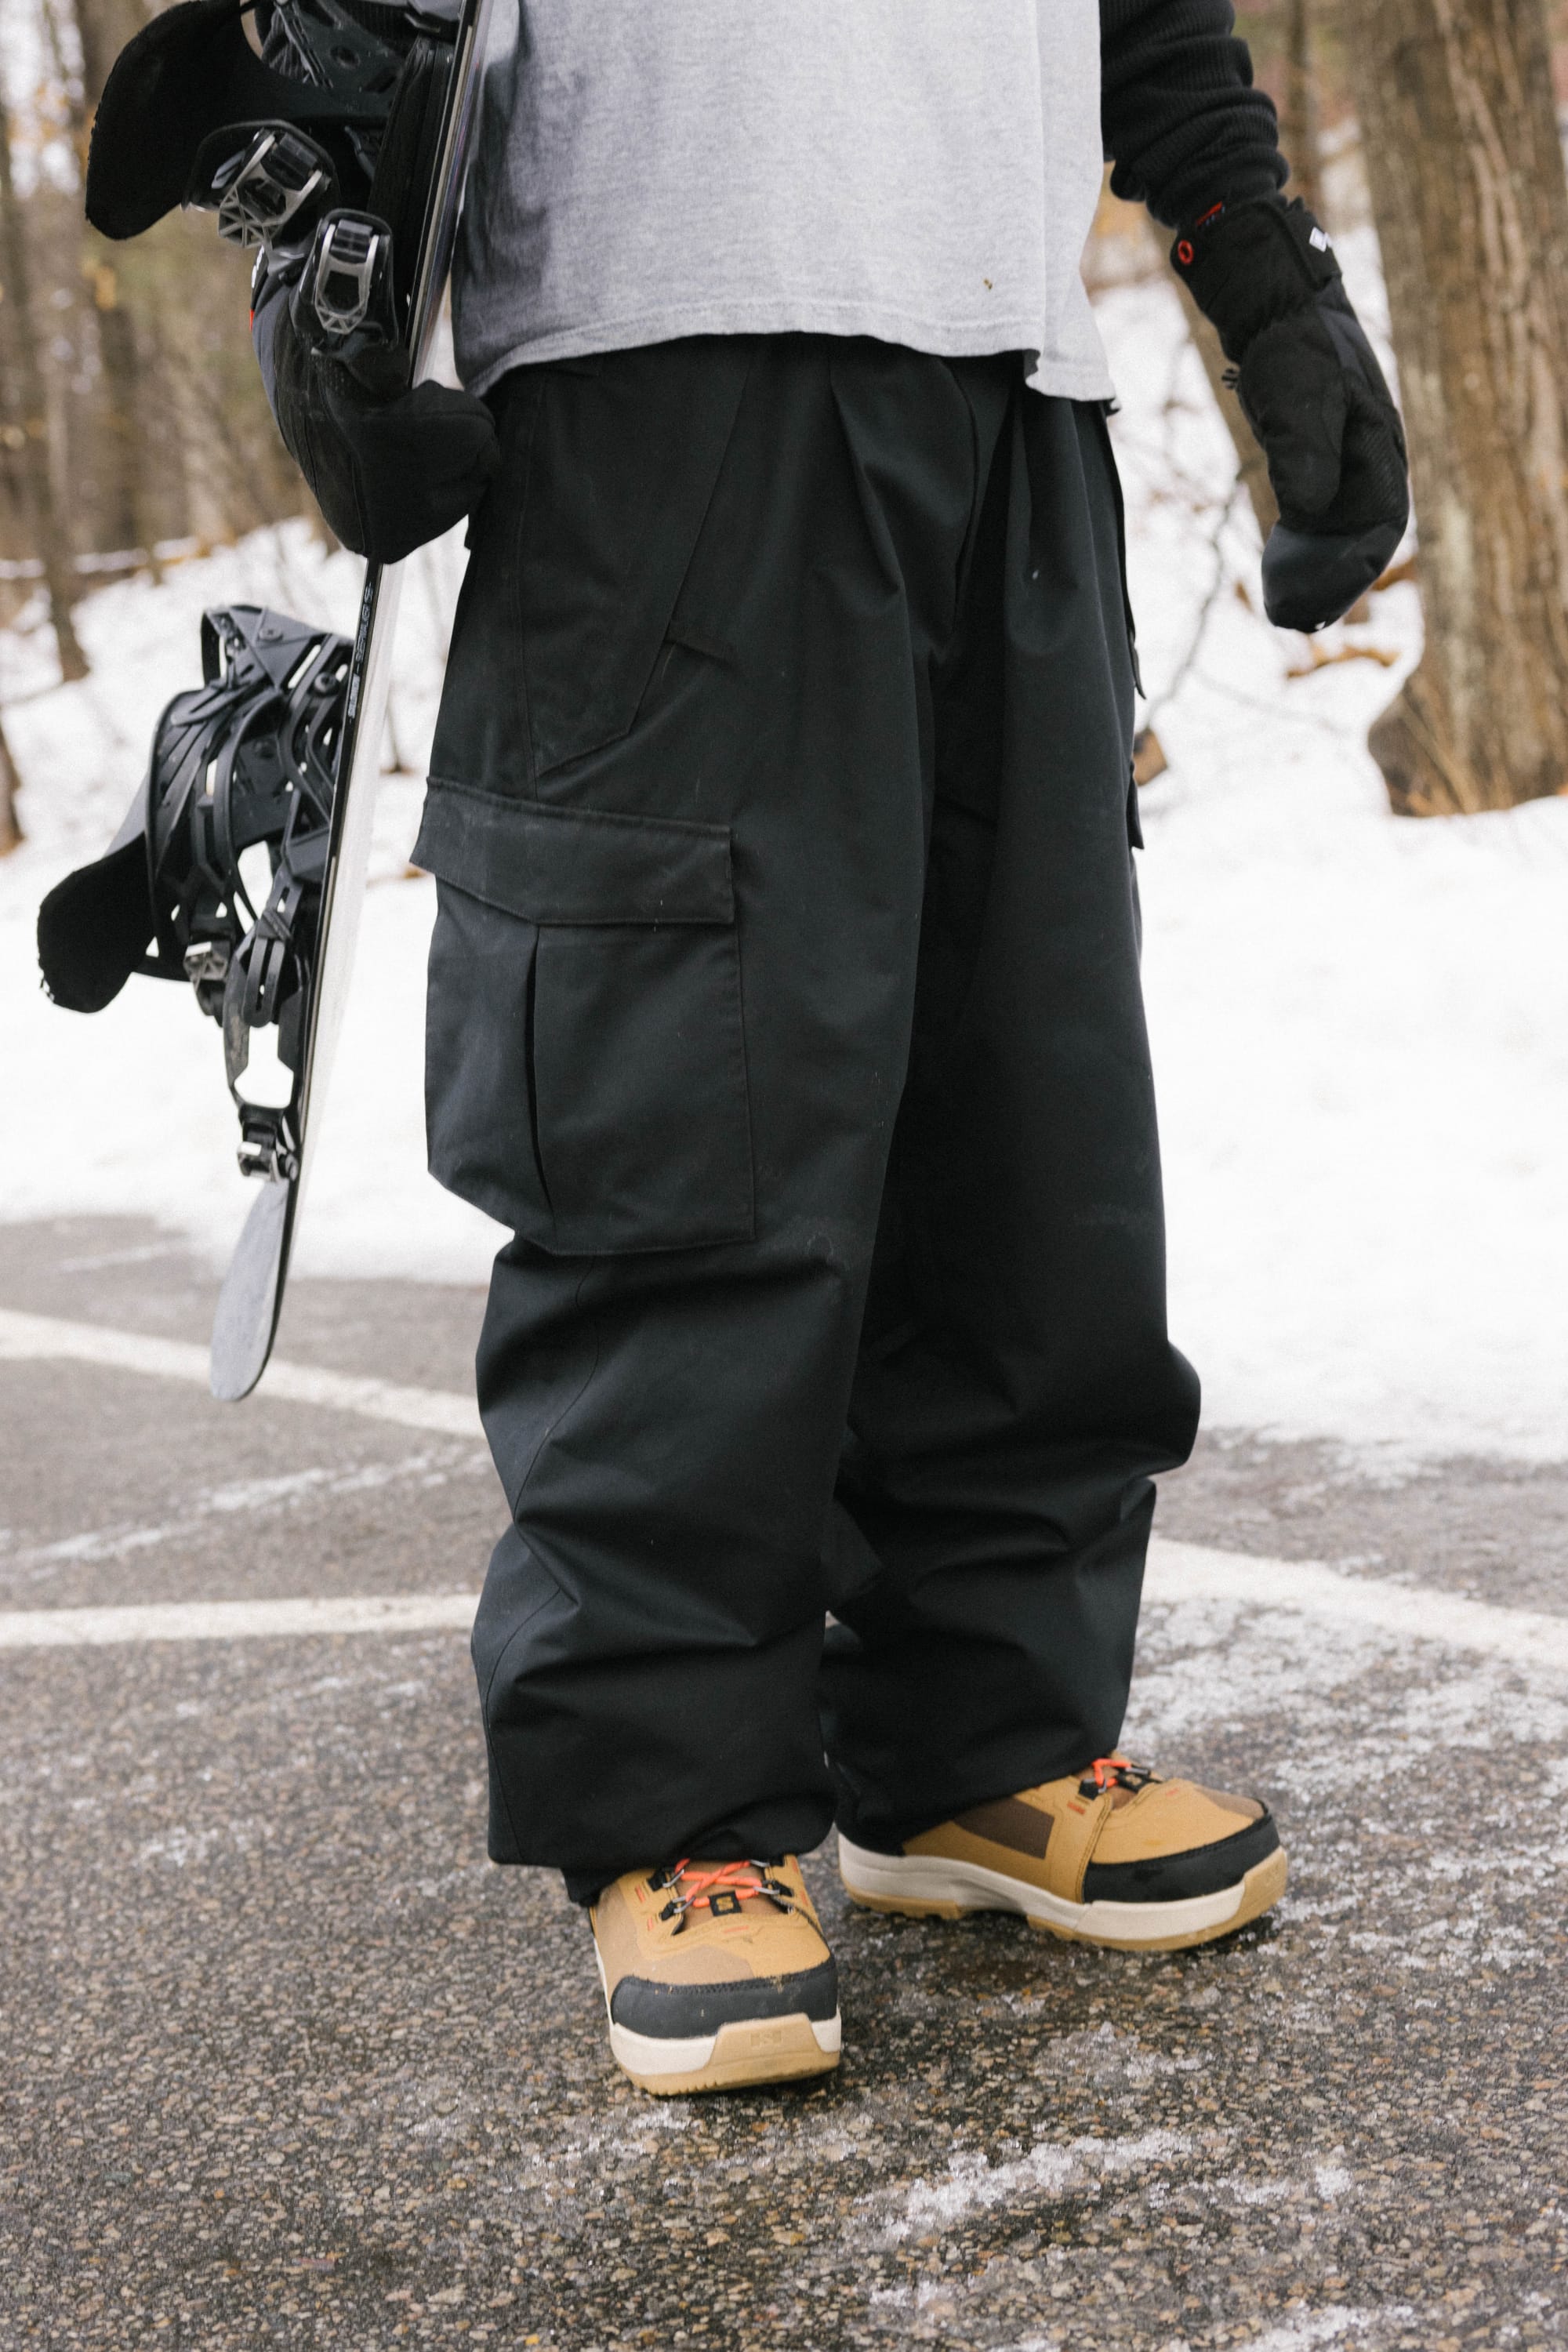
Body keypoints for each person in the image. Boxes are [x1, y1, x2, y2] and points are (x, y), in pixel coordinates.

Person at [263, 0, 1407, 2095]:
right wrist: (318, 196)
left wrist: (1264, 278)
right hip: (660, 347)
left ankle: (981, 1740)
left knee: (1024, 1096)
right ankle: (679, 1813)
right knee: (686, 1094)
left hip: (1009, 373)